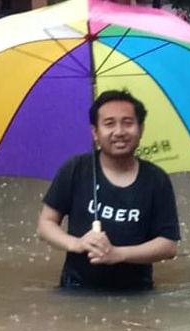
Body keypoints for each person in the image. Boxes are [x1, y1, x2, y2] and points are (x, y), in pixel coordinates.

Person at [37, 90, 180, 290]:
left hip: (137, 294)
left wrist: (118, 254)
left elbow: (168, 245)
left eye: (128, 122)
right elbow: (45, 225)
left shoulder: (156, 179)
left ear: (141, 129)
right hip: (76, 290)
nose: (119, 131)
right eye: (109, 123)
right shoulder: (76, 169)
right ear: (95, 132)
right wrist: (77, 244)